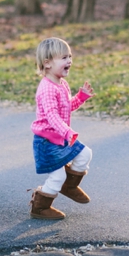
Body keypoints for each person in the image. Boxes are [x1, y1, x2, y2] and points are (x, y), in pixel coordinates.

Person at [29, 37, 95, 220]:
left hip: (61, 136)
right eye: (64, 57)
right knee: (57, 176)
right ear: (47, 63)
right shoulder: (47, 88)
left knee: (85, 154)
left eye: (70, 56)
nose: (69, 61)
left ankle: (70, 186)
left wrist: (81, 97)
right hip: (47, 141)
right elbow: (52, 116)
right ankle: (40, 208)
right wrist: (67, 131)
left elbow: (66, 107)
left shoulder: (62, 84)